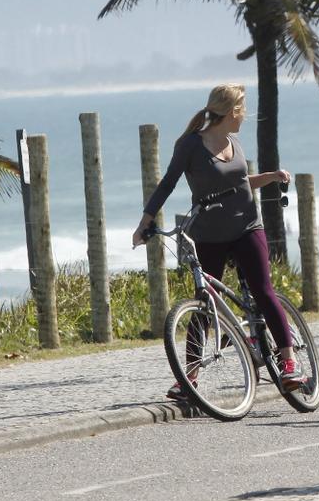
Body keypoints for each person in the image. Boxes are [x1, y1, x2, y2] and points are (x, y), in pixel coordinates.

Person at [131, 83, 307, 398]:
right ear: (232, 112)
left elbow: (238, 183)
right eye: (243, 110)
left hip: (248, 227)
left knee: (263, 291)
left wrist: (269, 176)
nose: (246, 116)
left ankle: (289, 362)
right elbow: (166, 184)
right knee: (203, 305)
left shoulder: (234, 141)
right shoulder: (190, 146)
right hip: (209, 235)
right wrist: (145, 224)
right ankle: (189, 379)